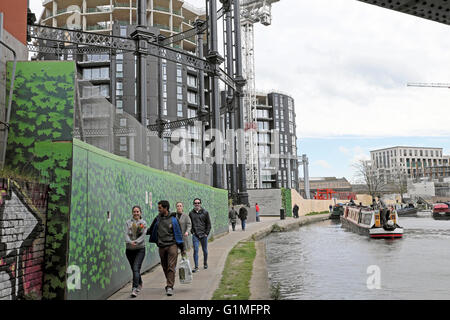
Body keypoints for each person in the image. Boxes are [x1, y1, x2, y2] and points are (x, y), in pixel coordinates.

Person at [148, 200, 184, 296]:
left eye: (160, 208)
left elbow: (179, 233)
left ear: (165, 208)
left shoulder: (174, 219)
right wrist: (140, 228)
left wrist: (182, 248)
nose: (158, 209)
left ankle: (169, 286)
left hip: (172, 245)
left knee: (171, 267)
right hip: (161, 246)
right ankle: (169, 282)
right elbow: (150, 230)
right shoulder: (157, 219)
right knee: (165, 267)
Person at [125, 205, 148, 298]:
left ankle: (134, 288)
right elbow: (126, 234)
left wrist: (136, 242)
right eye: (134, 211)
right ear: (132, 213)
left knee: (135, 268)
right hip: (129, 249)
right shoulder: (128, 222)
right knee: (134, 269)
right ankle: (140, 282)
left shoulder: (143, 223)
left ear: (140, 213)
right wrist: (130, 242)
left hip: (140, 249)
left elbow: (143, 235)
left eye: (137, 211)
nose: (136, 213)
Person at [189, 198, 211, 273]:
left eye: (198, 203)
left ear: (200, 204)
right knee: (195, 250)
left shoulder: (205, 212)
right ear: (193, 204)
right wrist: (192, 232)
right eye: (195, 203)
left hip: (203, 234)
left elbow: (209, 224)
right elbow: (190, 224)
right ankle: (196, 267)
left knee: (205, 250)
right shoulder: (191, 213)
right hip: (195, 235)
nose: (197, 204)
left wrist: (206, 233)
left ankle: (205, 263)